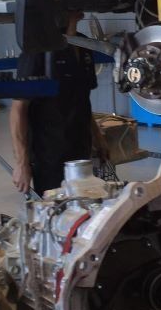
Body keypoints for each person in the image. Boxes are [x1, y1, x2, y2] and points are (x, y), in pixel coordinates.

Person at [10, 11, 110, 195]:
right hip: (49, 153)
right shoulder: (37, 48)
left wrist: (98, 137)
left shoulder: (83, 44)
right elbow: (18, 109)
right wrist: (22, 163)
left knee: (83, 204)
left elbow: (82, 99)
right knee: (55, 210)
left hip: (80, 148)